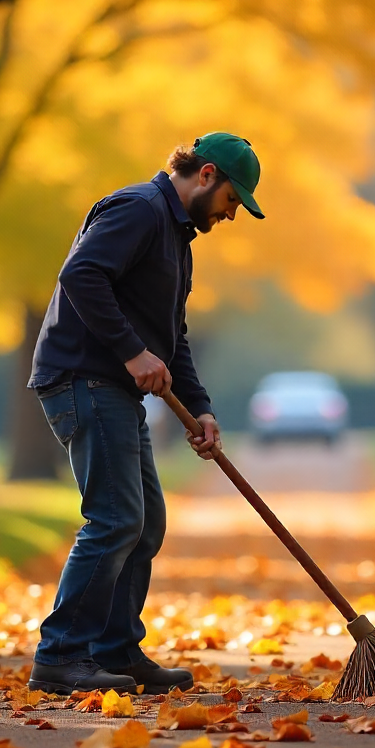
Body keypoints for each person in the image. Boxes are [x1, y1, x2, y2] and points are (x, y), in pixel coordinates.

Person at [26, 133, 264, 694]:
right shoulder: (138, 209)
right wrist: (132, 352)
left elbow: (172, 337)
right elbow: (81, 275)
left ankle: (115, 651)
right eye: (232, 200)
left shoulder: (176, 239)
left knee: (145, 522)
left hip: (114, 388)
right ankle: (60, 655)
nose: (231, 214)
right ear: (207, 175)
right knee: (115, 519)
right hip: (83, 378)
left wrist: (200, 409)